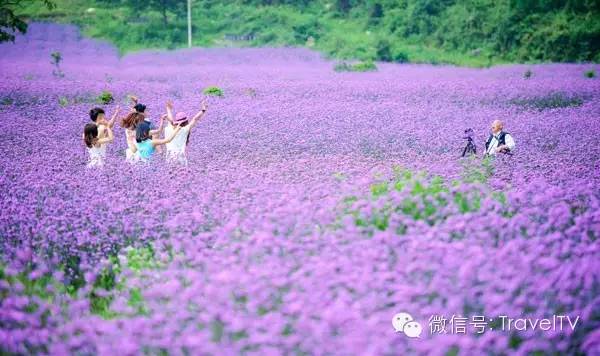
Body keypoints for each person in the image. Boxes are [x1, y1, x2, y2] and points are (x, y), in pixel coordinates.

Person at [164, 100, 208, 164]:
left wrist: (168, 108)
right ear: (186, 121)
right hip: (181, 157)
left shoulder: (168, 129)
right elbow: (195, 119)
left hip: (170, 157)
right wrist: (203, 110)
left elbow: (170, 120)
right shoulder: (185, 130)